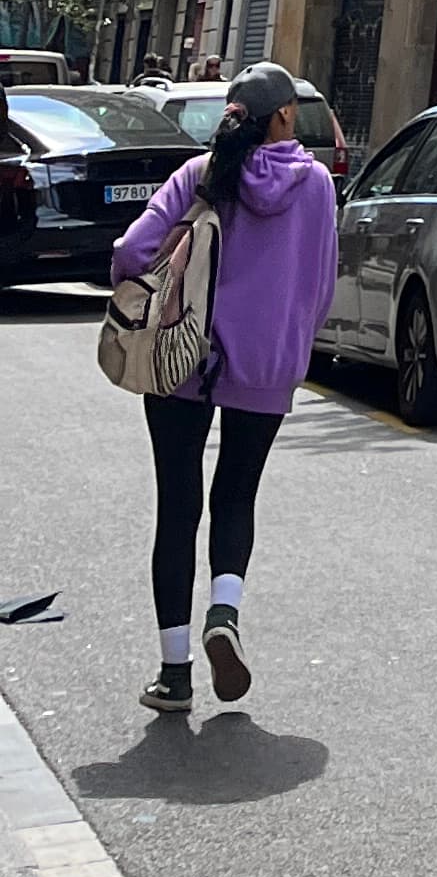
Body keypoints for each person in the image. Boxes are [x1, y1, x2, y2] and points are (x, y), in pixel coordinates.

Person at [110, 63, 337, 715]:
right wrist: (291, 346)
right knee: (236, 495)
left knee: (176, 507)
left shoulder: (198, 178)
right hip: (265, 367)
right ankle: (225, 614)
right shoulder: (316, 186)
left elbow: (133, 251)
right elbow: (321, 282)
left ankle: (174, 673)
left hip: (182, 358)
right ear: (286, 116)